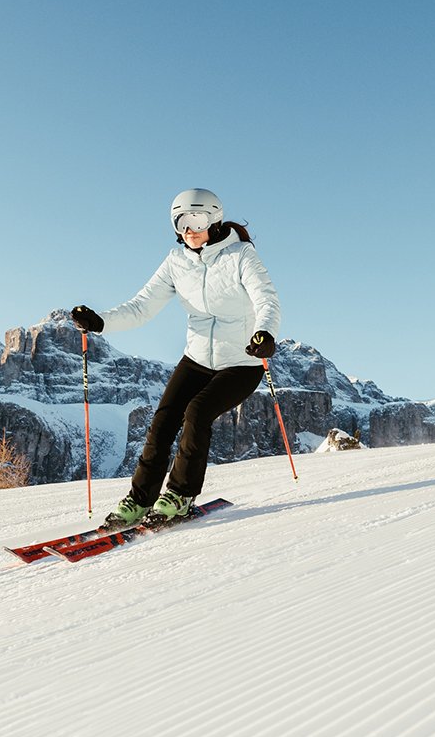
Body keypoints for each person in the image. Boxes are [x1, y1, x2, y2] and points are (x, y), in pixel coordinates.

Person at [69, 188, 281, 527]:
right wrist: (101, 322)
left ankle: (180, 496)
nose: (190, 229)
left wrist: (266, 334)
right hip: (196, 358)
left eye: (197, 220)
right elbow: (142, 307)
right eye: (181, 222)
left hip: (241, 361)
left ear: (214, 220)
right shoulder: (176, 261)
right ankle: (139, 500)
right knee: (163, 421)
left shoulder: (241, 256)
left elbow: (266, 300)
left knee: (197, 413)